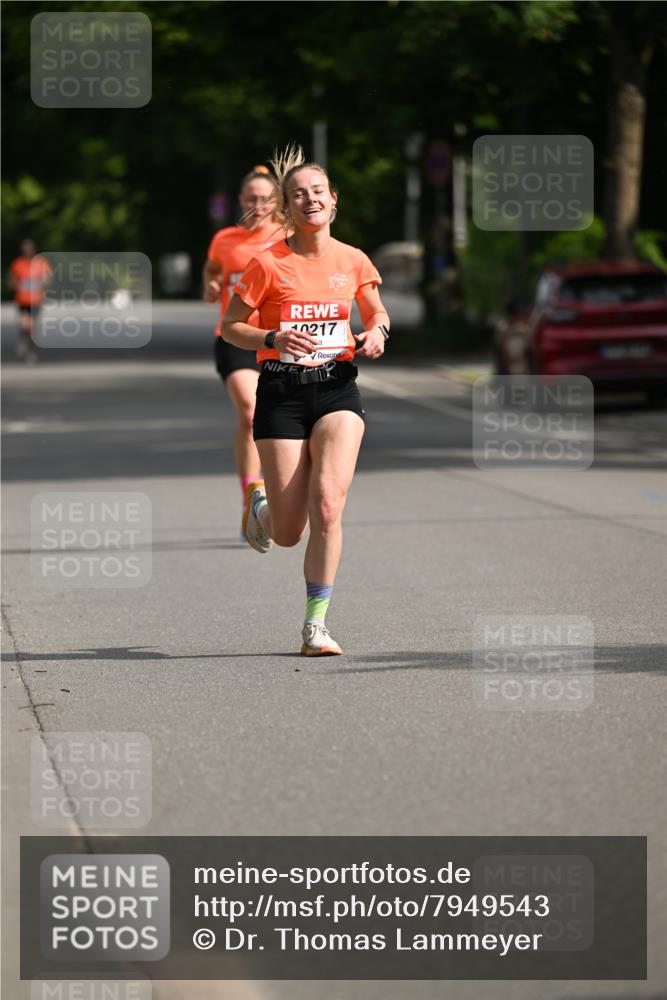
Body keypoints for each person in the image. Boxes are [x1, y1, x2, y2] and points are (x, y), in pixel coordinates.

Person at [222, 145, 390, 656]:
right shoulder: (266, 264)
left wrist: (379, 331)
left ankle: (315, 625)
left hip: (338, 387)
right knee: (290, 530)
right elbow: (231, 327)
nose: (310, 199)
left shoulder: (353, 259)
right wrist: (272, 338)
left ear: (333, 201)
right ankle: (263, 508)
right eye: (299, 194)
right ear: (288, 209)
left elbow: (377, 312)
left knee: (327, 504)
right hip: (281, 394)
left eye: (318, 191)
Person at [203, 168, 282, 520]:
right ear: (240, 200)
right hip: (234, 338)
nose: (257, 204)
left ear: (276, 201)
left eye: (265, 197)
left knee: (281, 420)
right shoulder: (224, 239)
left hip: (279, 340)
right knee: (251, 414)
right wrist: (212, 286)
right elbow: (212, 270)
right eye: (251, 197)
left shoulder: (288, 237)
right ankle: (253, 497)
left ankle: (279, 490)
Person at [8, 239, 51, 362]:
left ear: (33, 250)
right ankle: (23, 339)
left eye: (28, 249)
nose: (26, 252)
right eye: (24, 250)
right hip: (22, 300)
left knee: (31, 327)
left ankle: (31, 352)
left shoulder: (41, 262)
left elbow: (47, 278)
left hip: (36, 301)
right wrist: (15, 285)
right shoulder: (17, 263)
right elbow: (12, 280)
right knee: (24, 325)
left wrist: (42, 282)